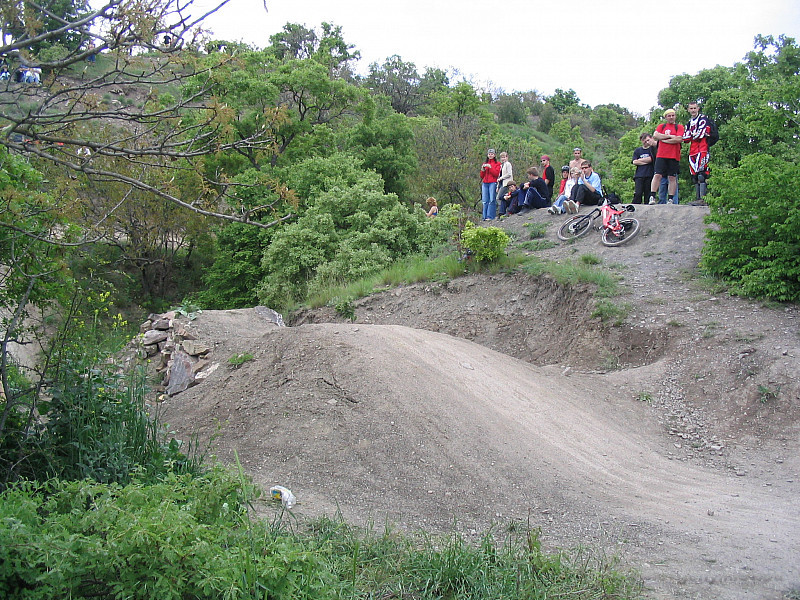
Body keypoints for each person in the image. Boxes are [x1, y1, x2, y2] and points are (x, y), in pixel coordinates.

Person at [648, 108, 684, 205]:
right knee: (657, 175)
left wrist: (664, 139)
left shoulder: (679, 127)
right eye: (669, 116)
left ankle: (671, 199)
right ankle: (652, 196)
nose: (671, 117)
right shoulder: (661, 126)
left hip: (674, 155)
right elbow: (656, 135)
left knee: (672, 177)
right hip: (661, 154)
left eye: (673, 115)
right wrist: (672, 137)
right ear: (666, 117)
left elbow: (679, 139)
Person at [683, 101, 711, 206]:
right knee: (694, 175)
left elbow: (701, 133)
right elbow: (685, 138)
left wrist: (692, 134)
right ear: (688, 110)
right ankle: (698, 198)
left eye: (695, 108)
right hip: (693, 150)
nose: (693, 110)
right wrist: (692, 134)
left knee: (701, 174)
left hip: (702, 148)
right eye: (691, 108)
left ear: (698, 108)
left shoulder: (703, 119)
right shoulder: (689, 122)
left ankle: (703, 199)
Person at [631, 133, 655, 204]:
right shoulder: (638, 150)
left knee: (647, 194)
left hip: (649, 174)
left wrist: (640, 161)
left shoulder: (652, 149)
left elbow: (651, 159)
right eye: (643, 140)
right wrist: (645, 161)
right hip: (639, 175)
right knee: (638, 193)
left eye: (647, 140)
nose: (645, 142)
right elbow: (634, 162)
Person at [479, 149, 501, 220]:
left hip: (492, 183)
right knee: (485, 200)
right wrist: (482, 170)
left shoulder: (497, 164)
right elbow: (482, 176)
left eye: (492, 154)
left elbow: (496, 174)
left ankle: (490, 216)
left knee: (492, 199)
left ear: (494, 155)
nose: (490, 155)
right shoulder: (484, 163)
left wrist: (490, 168)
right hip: (485, 183)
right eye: (489, 154)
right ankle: (484, 216)